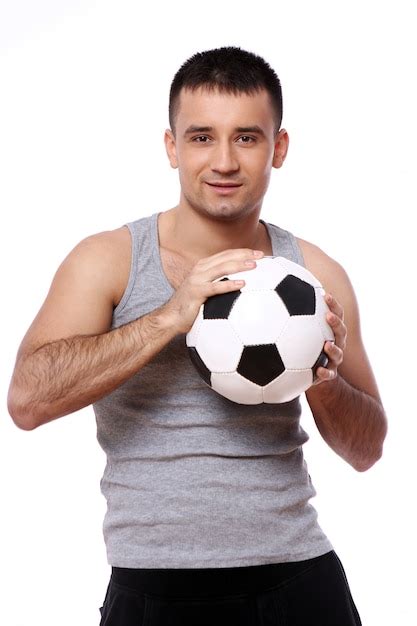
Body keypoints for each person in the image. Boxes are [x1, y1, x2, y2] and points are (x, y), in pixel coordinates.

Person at [8, 46, 387, 626]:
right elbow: (28, 402)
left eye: (247, 137)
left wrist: (323, 379)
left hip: (298, 578)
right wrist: (169, 316)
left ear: (278, 148)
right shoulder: (108, 259)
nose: (225, 161)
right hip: (152, 588)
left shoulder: (313, 275)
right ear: (172, 147)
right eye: (203, 137)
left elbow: (367, 451)